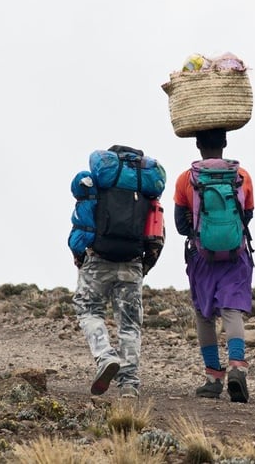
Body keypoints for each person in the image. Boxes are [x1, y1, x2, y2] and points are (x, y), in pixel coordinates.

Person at [70, 145, 165, 400]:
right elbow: (157, 234)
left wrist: (80, 256)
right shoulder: (146, 189)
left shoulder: (98, 185)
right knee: (130, 324)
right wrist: (143, 267)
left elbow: (82, 222)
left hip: (98, 259)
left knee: (88, 309)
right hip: (132, 262)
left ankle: (105, 356)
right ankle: (129, 384)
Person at [173, 128, 255, 402]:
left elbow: (181, 225)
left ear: (197, 145)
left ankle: (212, 378)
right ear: (225, 143)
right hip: (235, 256)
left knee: (204, 315)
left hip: (202, 258)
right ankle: (236, 368)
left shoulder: (187, 179)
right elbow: (248, 216)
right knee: (232, 311)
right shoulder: (242, 176)